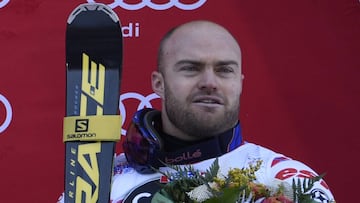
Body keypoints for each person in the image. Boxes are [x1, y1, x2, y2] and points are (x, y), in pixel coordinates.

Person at [58, 20, 335, 203]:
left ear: (239, 84)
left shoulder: (287, 180)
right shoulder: (99, 179)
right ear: (159, 83)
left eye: (224, 70)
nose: (209, 82)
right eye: (190, 68)